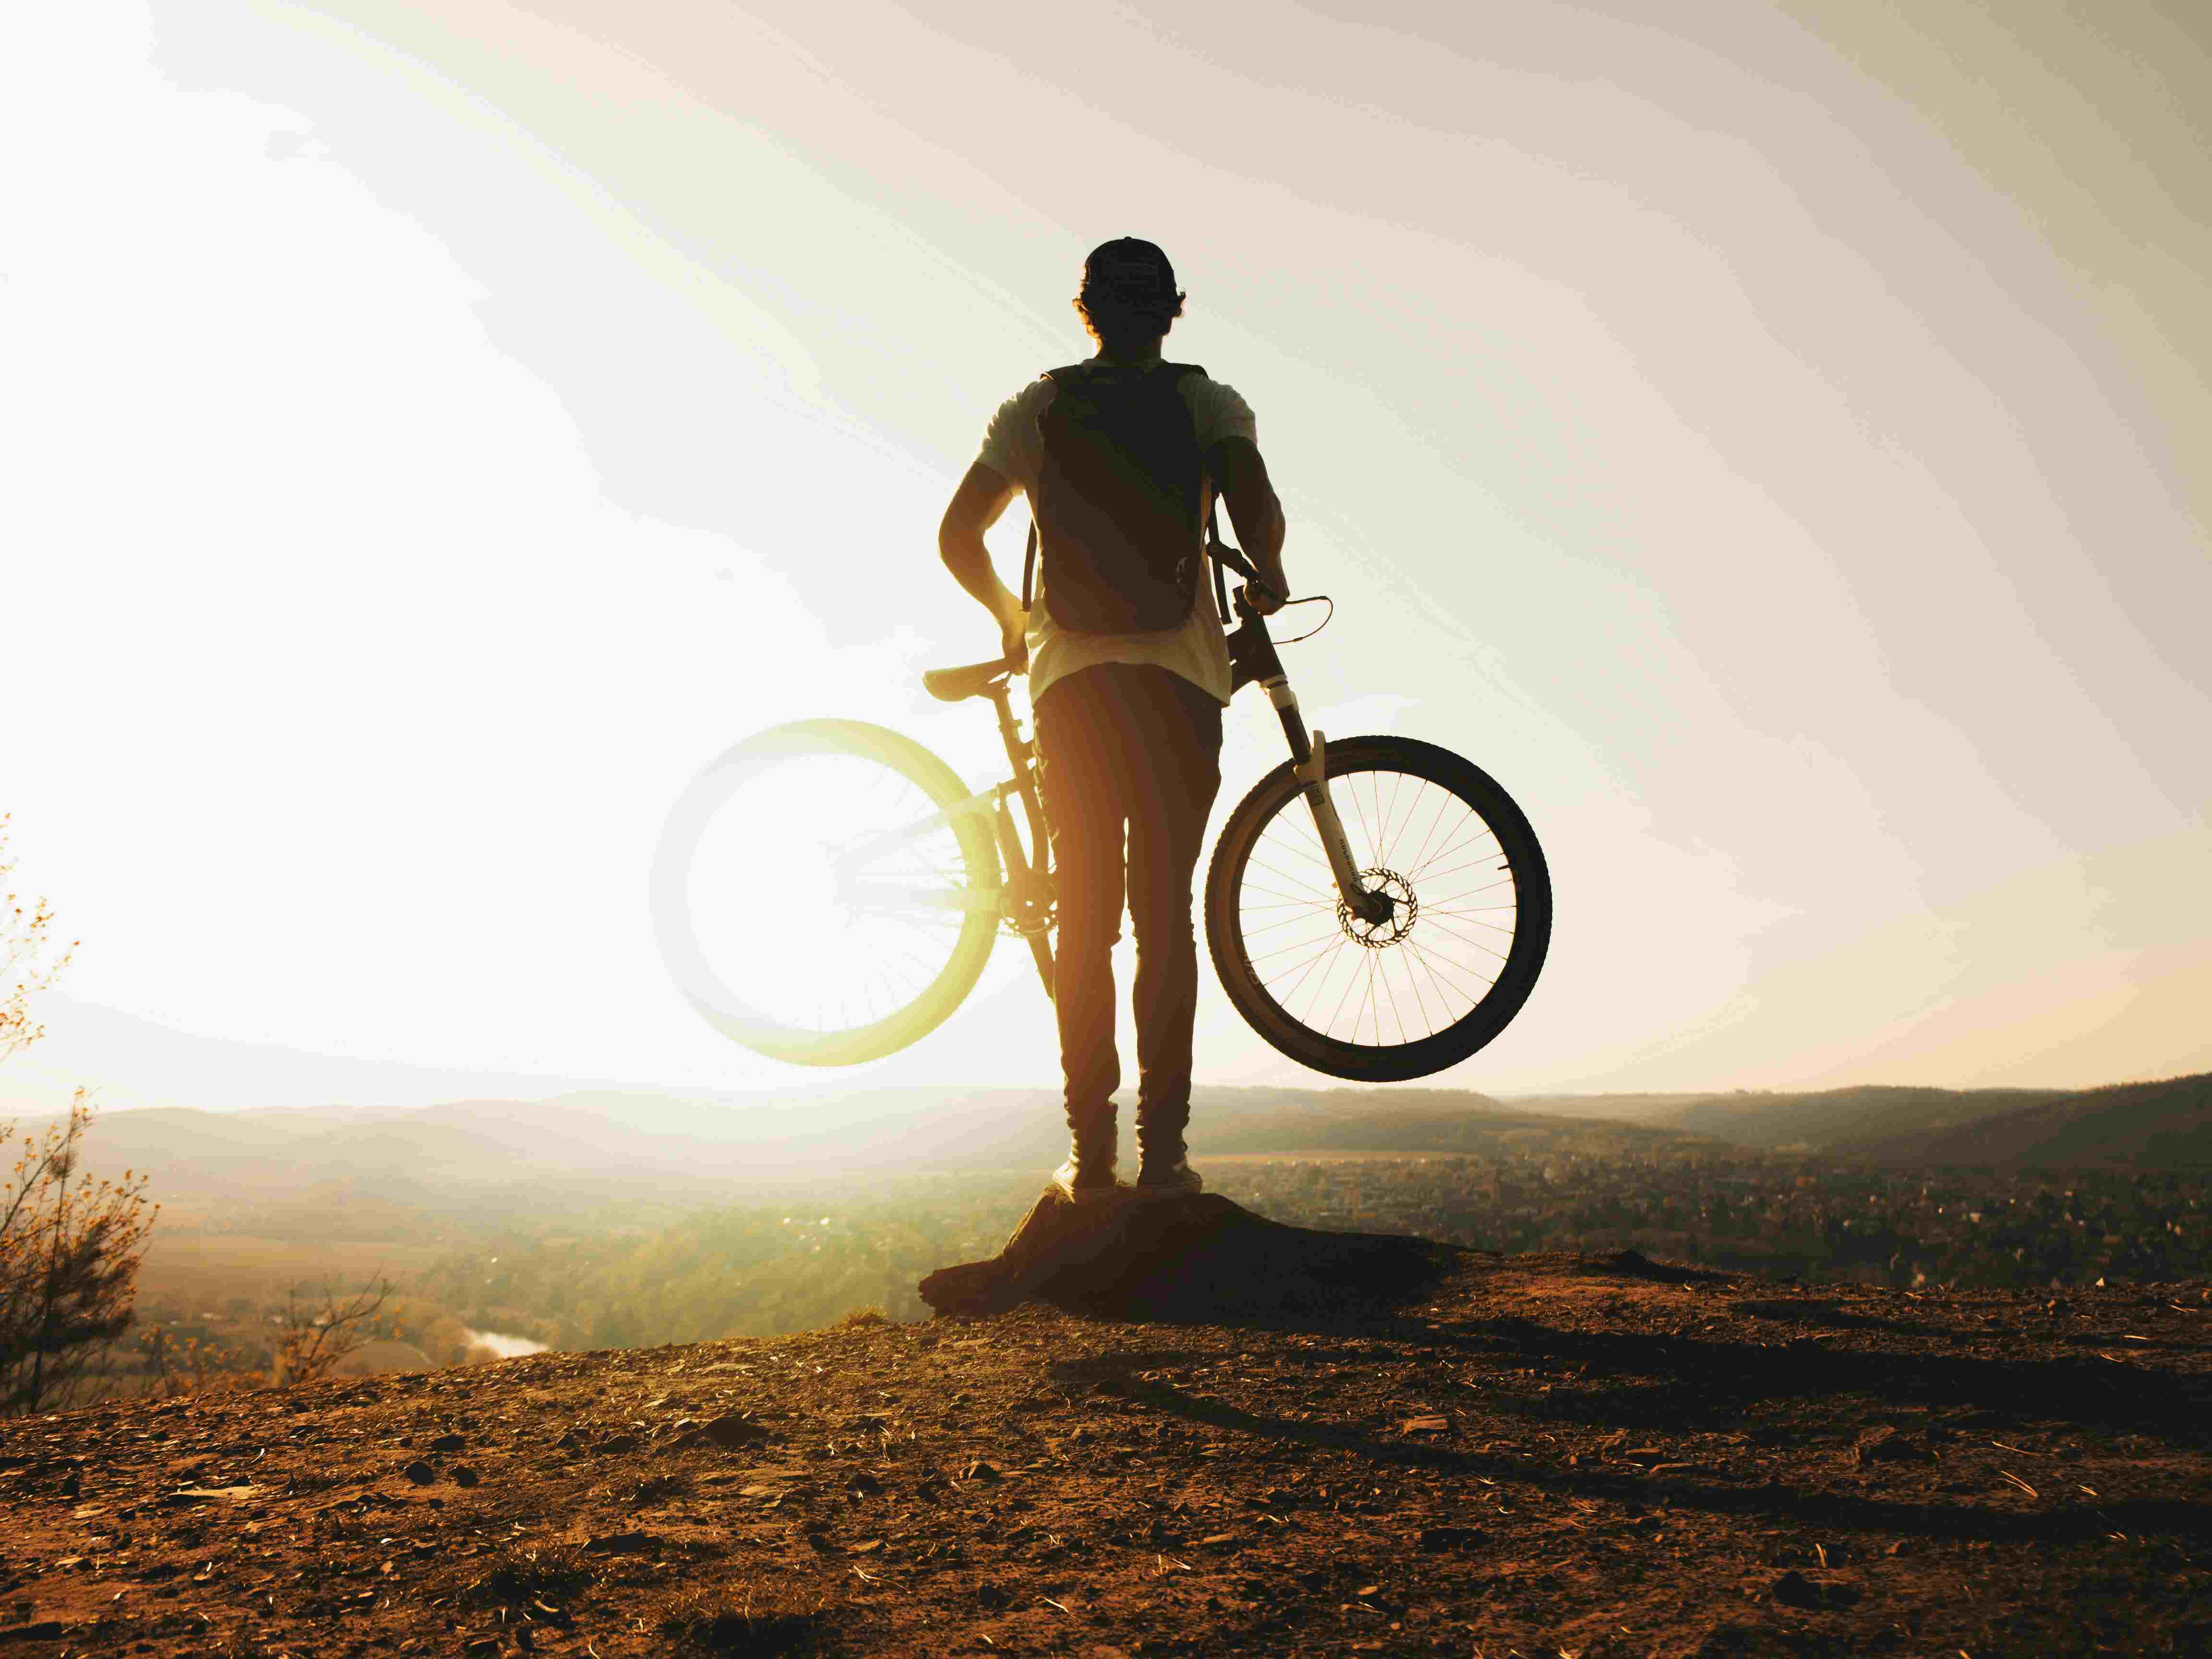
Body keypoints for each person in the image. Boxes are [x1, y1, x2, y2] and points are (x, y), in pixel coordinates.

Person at [937, 238, 1289, 1205]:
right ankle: (1165, 1155)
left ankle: (1091, 1161)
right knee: (1162, 916)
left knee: (1085, 915)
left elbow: (957, 536)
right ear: (1172, 310)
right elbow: (1254, 505)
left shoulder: (1039, 409)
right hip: (1181, 681)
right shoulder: (1209, 403)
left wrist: (1018, 627)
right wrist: (1270, 570)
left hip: (1072, 688)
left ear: (1085, 309)